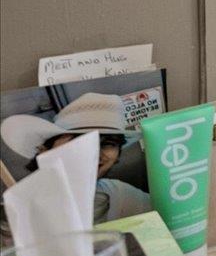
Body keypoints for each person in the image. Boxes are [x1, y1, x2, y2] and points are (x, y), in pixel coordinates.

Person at [1, 92, 154, 226]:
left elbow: (162, 219)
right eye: (80, 141)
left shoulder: (116, 193)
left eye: (109, 143)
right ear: (44, 151)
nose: (95, 153)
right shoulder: (19, 207)